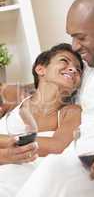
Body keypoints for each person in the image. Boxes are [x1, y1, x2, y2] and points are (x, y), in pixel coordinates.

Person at [16, 0, 94, 197]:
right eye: (72, 37)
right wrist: (7, 91)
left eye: (81, 38)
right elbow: (48, 83)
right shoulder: (86, 67)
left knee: (54, 168)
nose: (75, 46)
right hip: (83, 164)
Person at [0, 43, 84, 196]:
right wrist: (5, 155)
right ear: (40, 69)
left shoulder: (71, 112)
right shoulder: (13, 97)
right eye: (64, 61)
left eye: (78, 70)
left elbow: (57, 146)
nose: (73, 69)